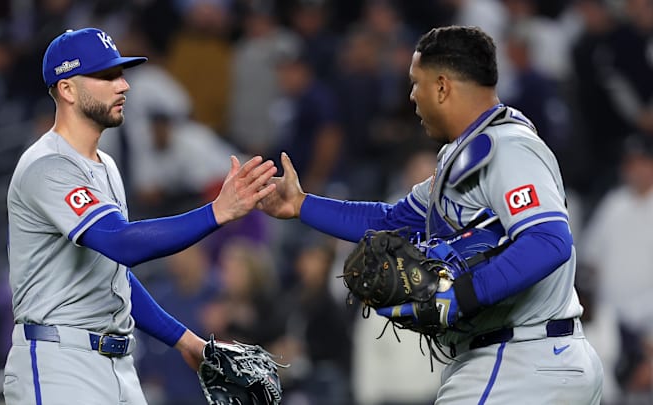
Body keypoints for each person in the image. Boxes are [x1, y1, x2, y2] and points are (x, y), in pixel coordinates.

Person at [258, 25, 604, 403]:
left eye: (415, 83)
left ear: (441, 87)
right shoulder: (465, 157)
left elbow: (550, 242)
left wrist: (462, 295)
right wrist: (302, 204)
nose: (411, 96)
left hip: (520, 360)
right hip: (525, 359)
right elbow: (391, 222)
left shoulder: (509, 148)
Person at [3, 27, 277, 404]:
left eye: (121, 73)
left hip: (117, 363)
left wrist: (187, 341)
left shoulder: (107, 167)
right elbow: (123, 244)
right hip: (59, 361)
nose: (123, 85)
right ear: (67, 89)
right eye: (106, 76)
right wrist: (218, 211)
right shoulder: (47, 166)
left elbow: (114, 276)